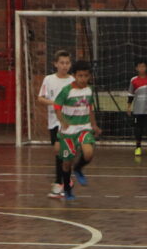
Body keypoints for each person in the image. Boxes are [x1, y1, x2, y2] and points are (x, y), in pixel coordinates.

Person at [54, 60, 102, 200]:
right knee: (66, 163)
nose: (83, 79)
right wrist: (63, 121)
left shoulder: (89, 90)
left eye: (86, 76)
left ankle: (78, 168)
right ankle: (67, 189)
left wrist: (94, 125)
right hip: (68, 132)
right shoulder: (66, 90)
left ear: (89, 76)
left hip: (84, 128)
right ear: (74, 76)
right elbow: (57, 107)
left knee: (88, 153)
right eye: (80, 76)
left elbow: (90, 109)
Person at [38, 50, 75, 199]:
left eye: (67, 63)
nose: (64, 66)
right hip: (53, 122)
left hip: (67, 123)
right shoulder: (48, 80)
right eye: (62, 63)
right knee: (60, 153)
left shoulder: (73, 81)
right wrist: (54, 103)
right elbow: (40, 98)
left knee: (60, 152)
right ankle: (66, 181)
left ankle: (58, 184)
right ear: (55, 64)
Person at [127, 59, 147, 157]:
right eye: (139, 66)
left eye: (143, 66)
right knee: (138, 129)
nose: (142, 68)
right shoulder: (133, 80)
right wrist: (128, 107)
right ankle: (138, 147)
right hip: (137, 110)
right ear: (136, 68)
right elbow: (130, 95)